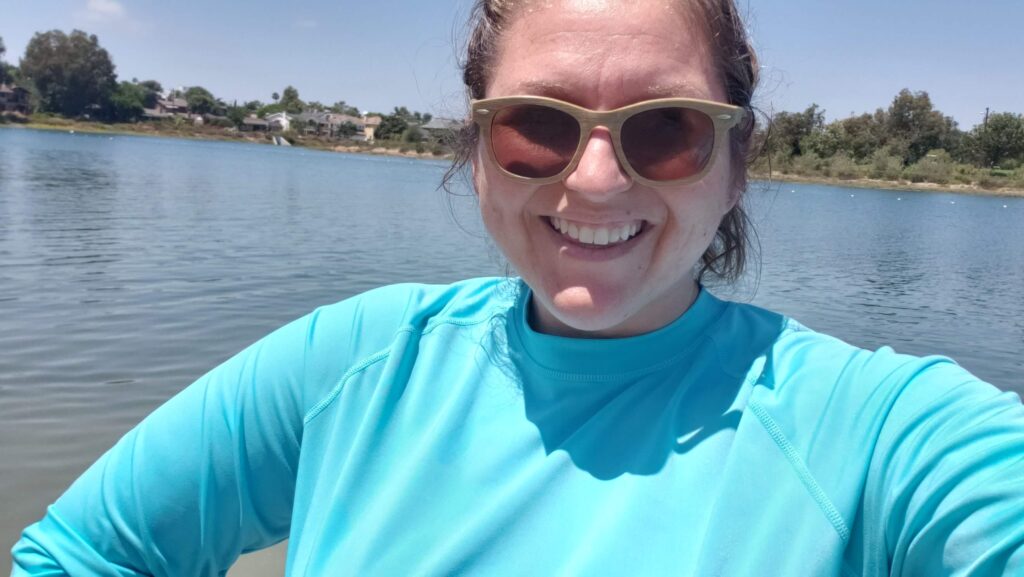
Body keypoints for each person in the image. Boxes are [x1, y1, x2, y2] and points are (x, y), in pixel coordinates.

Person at [11, 0, 1024, 575]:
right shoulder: (357, 361)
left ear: (736, 161)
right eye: (537, 123)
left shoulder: (873, 431)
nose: (593, 180)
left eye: (662, 128)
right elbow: (83, 554)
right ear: (480, 149)